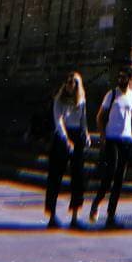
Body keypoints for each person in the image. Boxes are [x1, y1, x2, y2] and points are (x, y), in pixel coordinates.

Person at [90, 66, 132, 228]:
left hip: (125, 139)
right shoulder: (111, 95)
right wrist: (103, 136)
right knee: (109, 174)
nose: (121, 79)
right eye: (119, 77)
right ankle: (96, 203)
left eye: (124, 77)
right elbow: (99, 117)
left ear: (130, 78)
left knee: (119, 178)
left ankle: (111, 213)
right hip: (111, 139)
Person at [44, 71, 90, 229]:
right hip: (61, 136)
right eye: (70, 82)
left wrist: (86, 134)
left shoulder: (81, 100)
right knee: (55, 176)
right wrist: (66, 140)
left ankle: (75, 216)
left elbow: (83, 119)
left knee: (78, 176)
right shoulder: (59, 100)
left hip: (77, 135)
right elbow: (59, 121)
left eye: (75, 83)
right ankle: (52, 216)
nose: (72, 85)